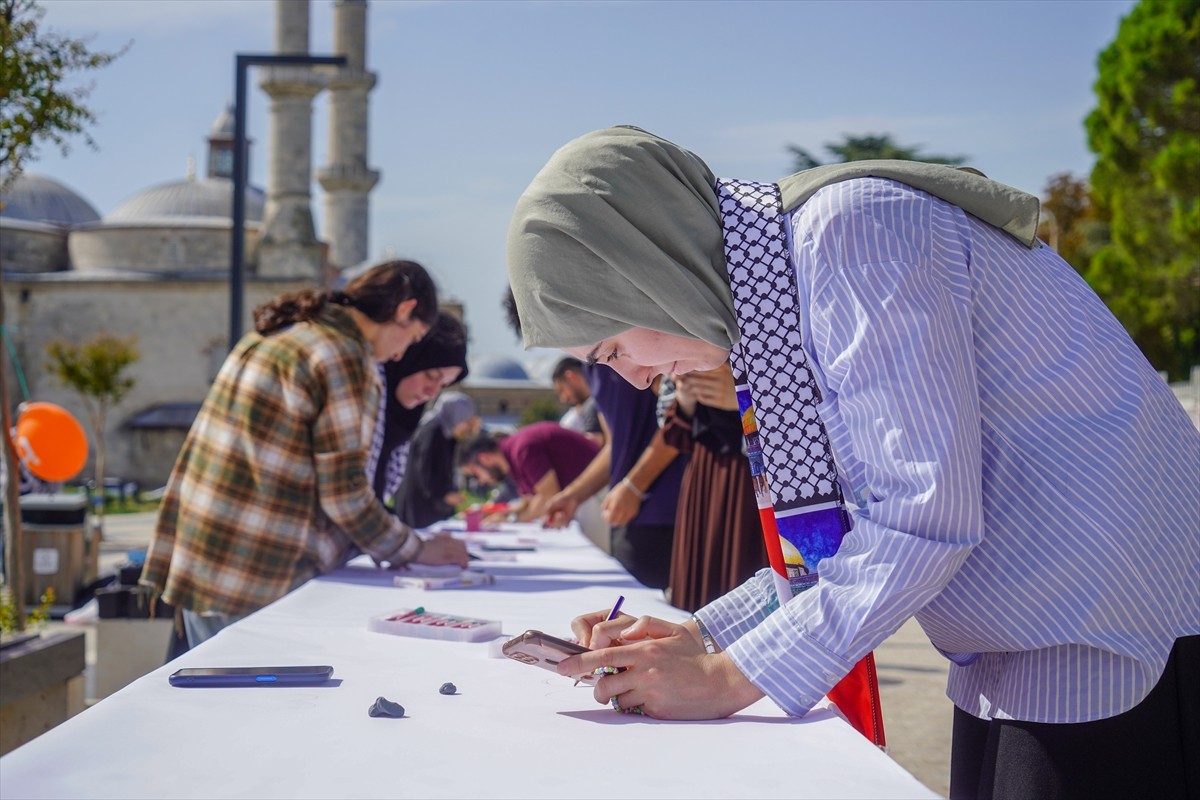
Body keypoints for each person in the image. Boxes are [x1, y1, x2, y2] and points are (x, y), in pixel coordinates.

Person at [505, 126, 1199, 799]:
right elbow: (842, 536)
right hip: (1024, 646)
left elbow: (920, 518)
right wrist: (698, 637)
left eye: (610, 348)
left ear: (643, 270)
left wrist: (727, 677)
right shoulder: (776, 291)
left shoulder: (851, 232)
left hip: (1106, 641)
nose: (630, 379)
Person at [141, 260, 469, 650]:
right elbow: (345, 494)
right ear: (403, 311)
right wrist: (416, 549)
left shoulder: (281, 335)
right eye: (412, 339)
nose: (400, 356)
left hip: (205, 558)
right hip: (255, 571)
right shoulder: (343, 356)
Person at [544, 364, 687, 590]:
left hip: (668, 507)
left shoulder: (638, 338)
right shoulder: (593, 366)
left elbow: (680, 417)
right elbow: (614, 445)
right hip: (626, 511)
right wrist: (573, 495)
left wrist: (634, 486)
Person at [659, 364, 767, 612]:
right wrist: (685, 398)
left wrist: (744, 403)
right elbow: (673, 433)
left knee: (745, 575)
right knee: (700, 580)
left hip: (754, 484)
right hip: (704, 478)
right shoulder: (683, 338)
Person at [367, 311, 470, 508]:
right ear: (405, 357)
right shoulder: (362, 401)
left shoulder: (404, 423)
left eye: (443, 385)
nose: (432, 393)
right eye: (431, 375)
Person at [457, 423, 602, 531]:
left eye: (475, 474)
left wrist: (511, 519)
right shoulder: (512, 454)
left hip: (599, 490)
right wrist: (494, 514)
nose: (480, 481)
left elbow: (547, 496)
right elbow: (529, 502)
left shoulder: (522, 449)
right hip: (588, 496)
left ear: (484, 458)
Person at [392, 391, 480, 529]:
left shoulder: (444, 431)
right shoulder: (432, 431)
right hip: (419, 504)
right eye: (464, 421)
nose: (465, 426)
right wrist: (443, 494)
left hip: (428, 503)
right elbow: (426, 469)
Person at [552, 356, 603, 446]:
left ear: (570, 377)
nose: (563, 399)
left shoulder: (591, 406)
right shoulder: (605, 398)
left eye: (562, 390)